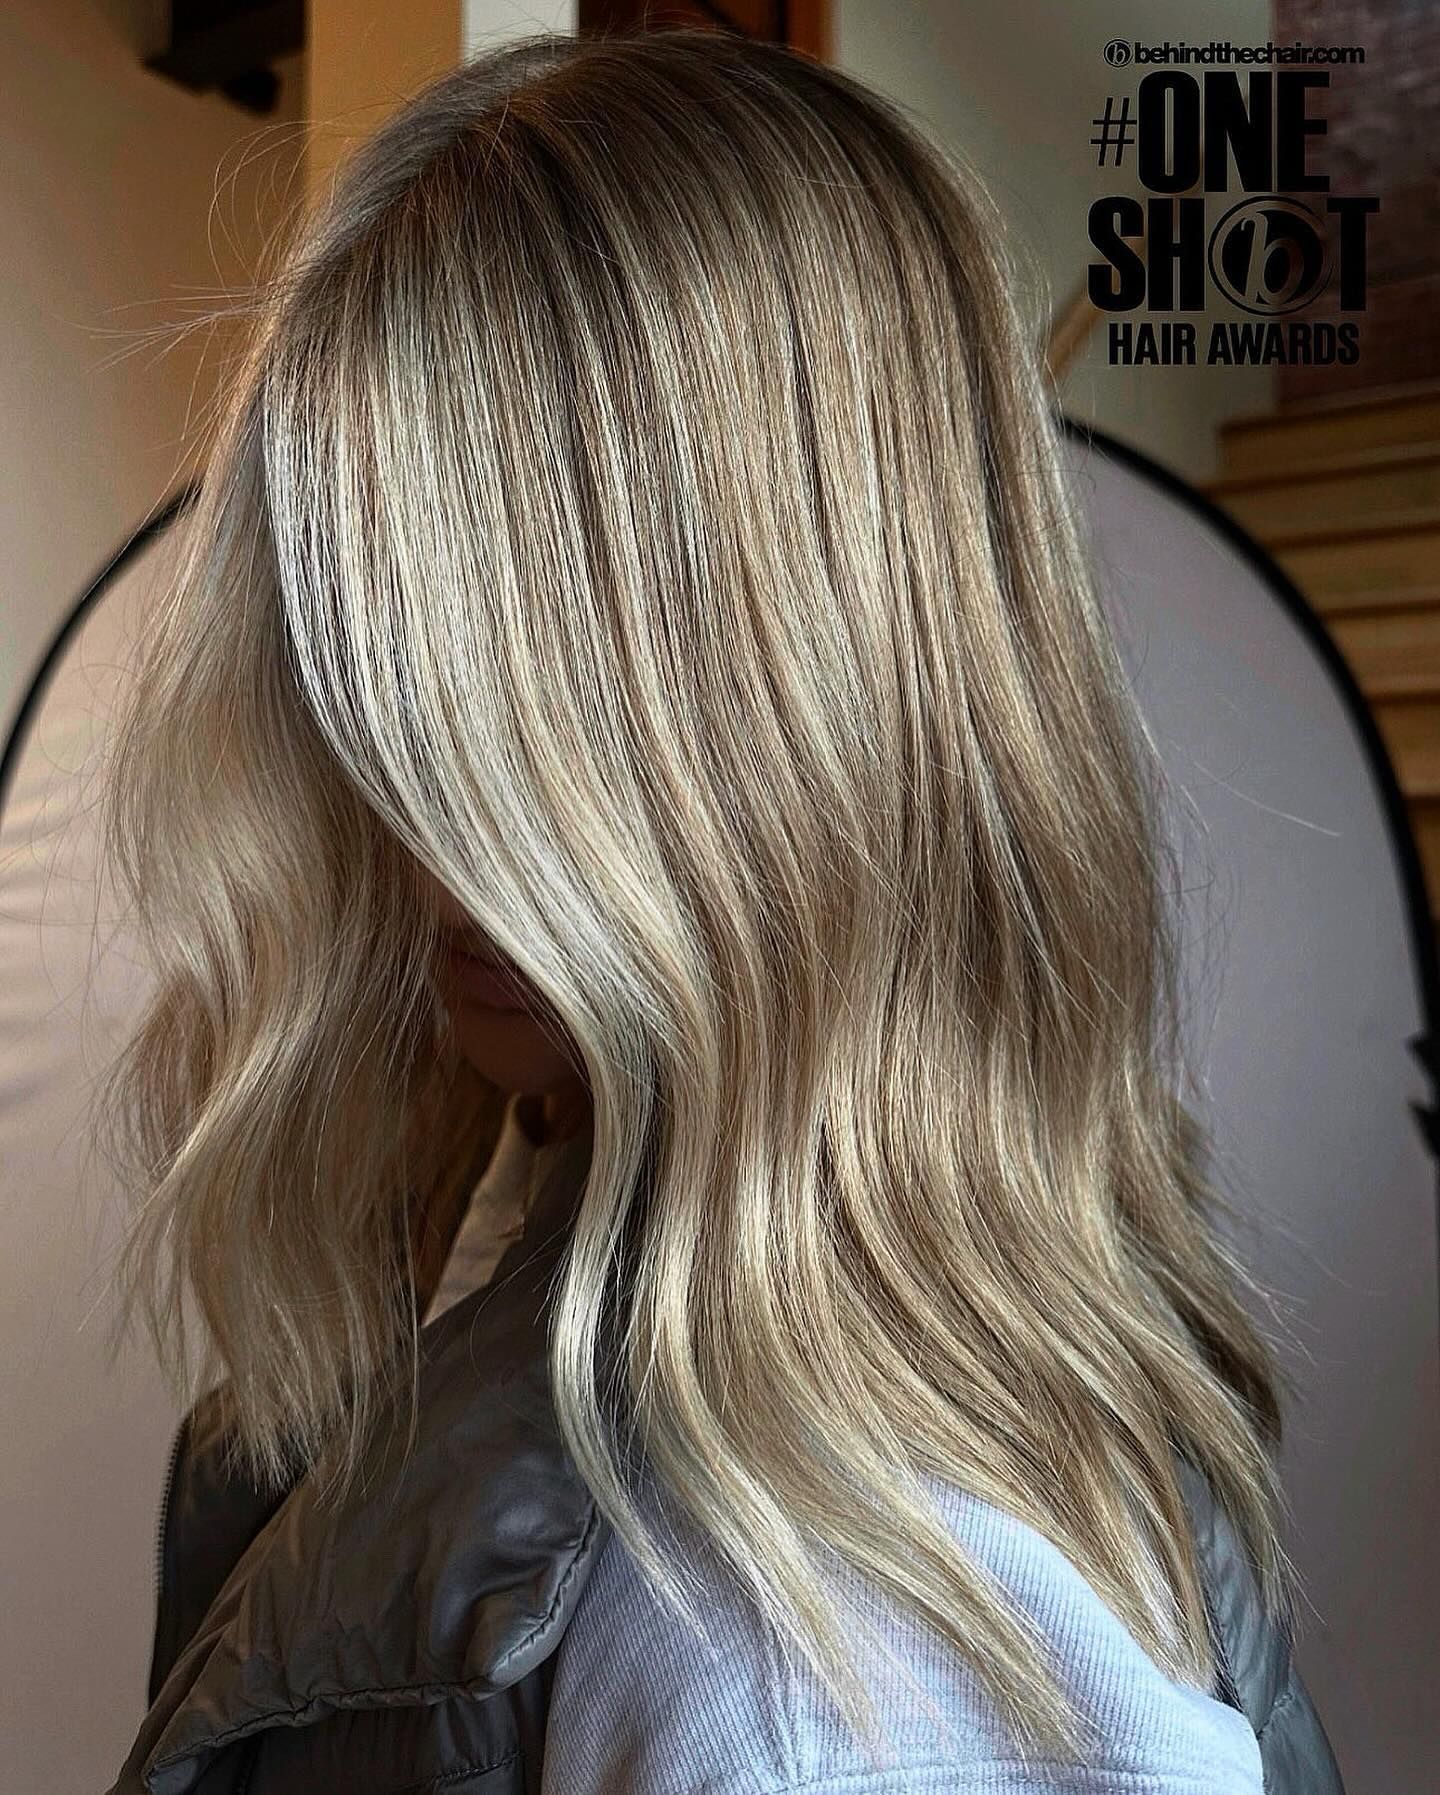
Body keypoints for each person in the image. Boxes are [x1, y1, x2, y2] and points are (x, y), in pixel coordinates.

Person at [95, 26, 1346, 1795]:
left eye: (564, 704)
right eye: (383, 681)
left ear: (826, 706)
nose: (434, 845)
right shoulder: (530, 1153)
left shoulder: (817, 1669)